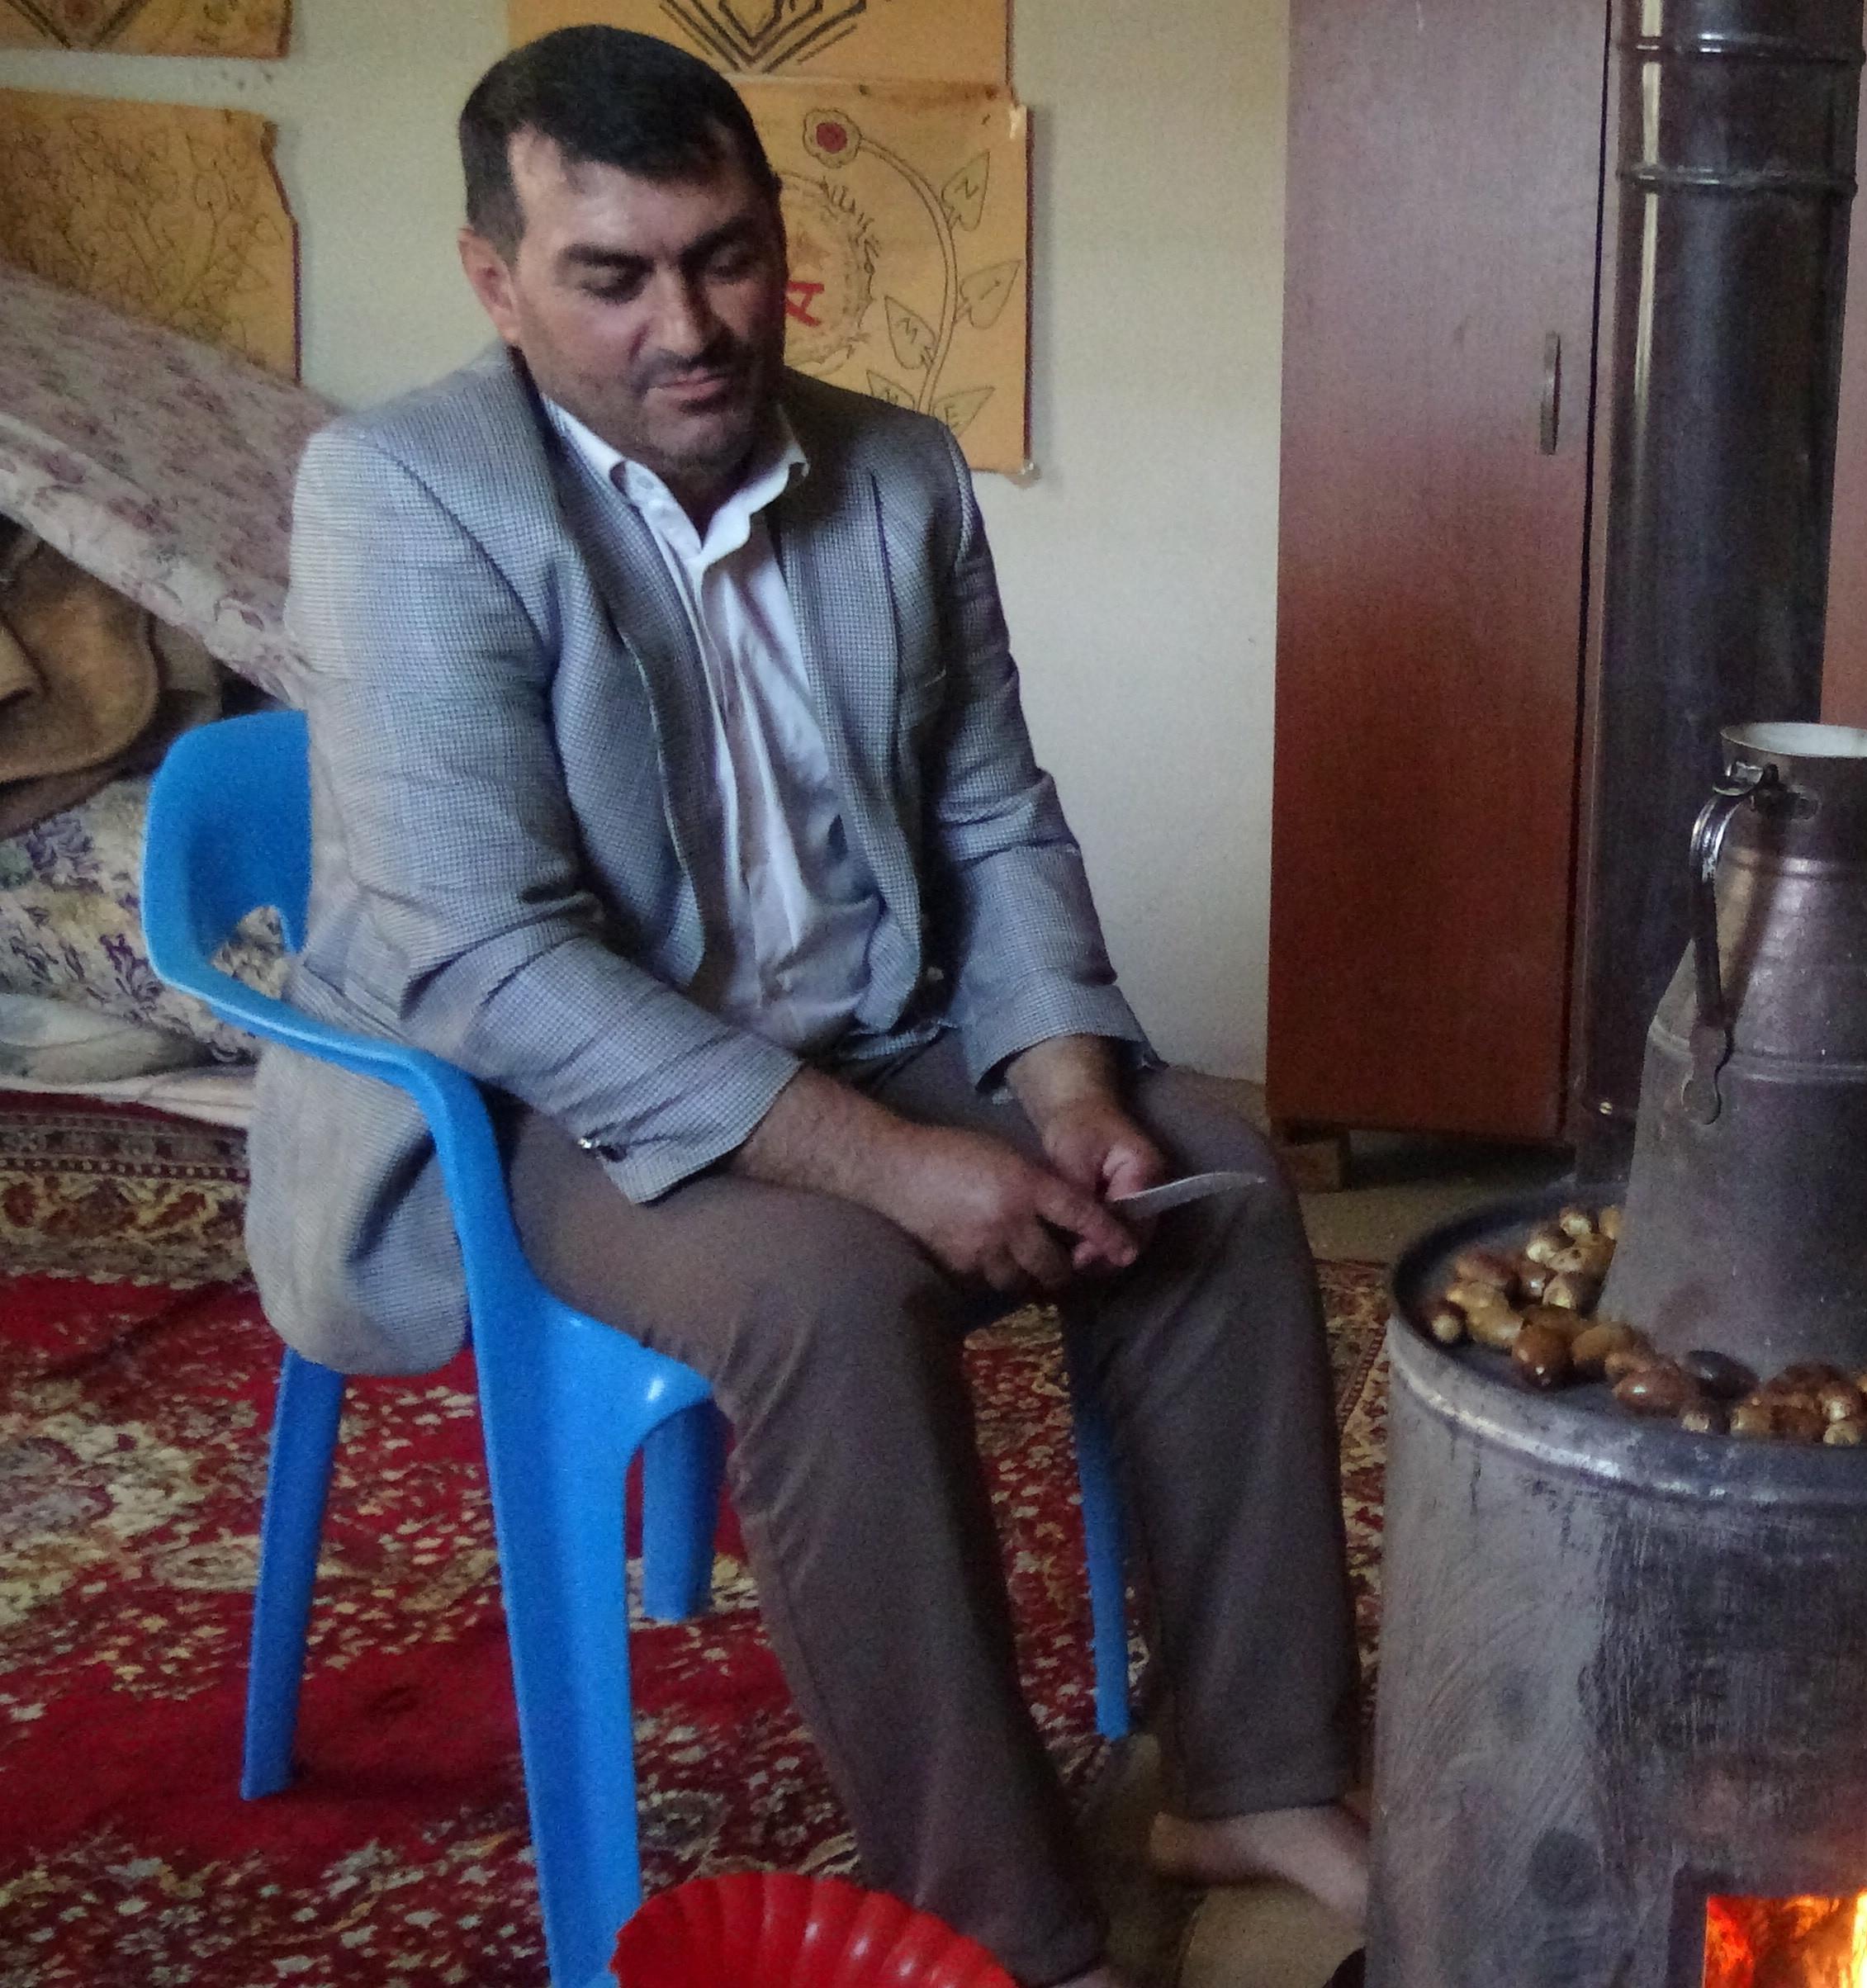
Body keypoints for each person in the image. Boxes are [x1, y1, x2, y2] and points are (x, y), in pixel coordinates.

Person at [245, 29, 1362, 1986]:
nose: (687, 327)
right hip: (558, 1100)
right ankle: (1000, 1922)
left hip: (872, 1016)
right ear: (496, 280)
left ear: (777, 237)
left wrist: (1066, 1087)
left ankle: (1254, 1776)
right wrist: (896, 1168)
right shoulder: (404, 493)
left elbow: (990, 812)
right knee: (829, 1295)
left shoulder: (895, 469)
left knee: (1215, 1180)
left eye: (725, 256)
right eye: (612, 276)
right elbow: (488, 958)